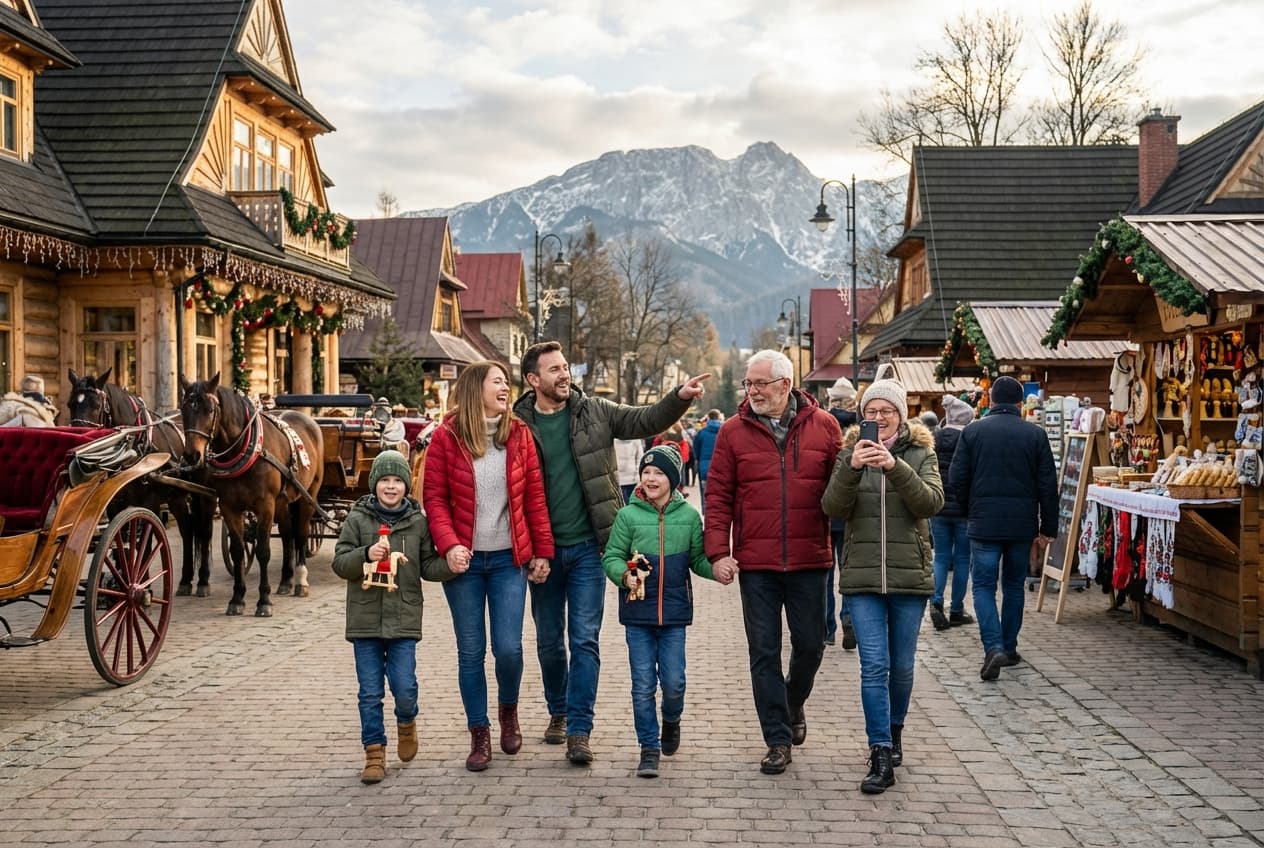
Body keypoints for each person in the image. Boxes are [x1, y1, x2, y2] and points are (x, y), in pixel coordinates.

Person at [513, 340, 709, 765]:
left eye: (565, 367)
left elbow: (644, 420)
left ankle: (579, 729)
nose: (564, 375)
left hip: (588, 547)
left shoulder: (595, 411)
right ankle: (558, 710)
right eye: (554, 370)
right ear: (533, 380)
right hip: (542, 552)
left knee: (584, 640)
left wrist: (679, 398)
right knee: (549, 642)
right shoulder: (517, 424)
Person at [703, 349, 842, 776]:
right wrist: (717, 553)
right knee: (763, 652)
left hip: (810, 560)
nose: (752, 391)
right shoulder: (732, 432)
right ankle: (778, 738)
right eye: (748, 383)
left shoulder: (826, 427)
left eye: (760, 383)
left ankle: (792, 701)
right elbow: (718, 494)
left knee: (811, 645)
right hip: (757, 564)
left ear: (786, 384)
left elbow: (843, 492)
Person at [422, 361, 554, 771]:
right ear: (475, 388)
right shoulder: (446, 437)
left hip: (507, 561)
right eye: (497, 381)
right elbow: (435, 499)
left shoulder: (520, 435)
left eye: (505, 382)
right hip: (464, 564)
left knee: (509, 648)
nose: (505, 387)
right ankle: (479, 734)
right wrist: (448, 545)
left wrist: (542, 551)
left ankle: (508, 711)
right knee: (470, 651)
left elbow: (534, 497)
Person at [822, 374, 943, 793]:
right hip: (863, 575)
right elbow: (832, 507)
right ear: (863, 415)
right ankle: (879, 750)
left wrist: (896, 467)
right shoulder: (847, 452)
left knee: (903, 666)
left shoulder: (922, 451)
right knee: (874, 665)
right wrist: (853, 468)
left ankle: (895, 732)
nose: (879, 418)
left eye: (886, 411)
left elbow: (931, 502)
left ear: (900, 415)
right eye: (871, 412)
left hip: (910, 575)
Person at [602, 445, 737, 778]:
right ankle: (648, 747)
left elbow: (697, 560)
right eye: (646, 472)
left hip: (675, 615)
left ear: (673, 479)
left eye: (659, 473)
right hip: (638, 614)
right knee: (642, 684)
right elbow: (612, 557)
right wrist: (624, 574)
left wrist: (717, 569)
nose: (650, 478)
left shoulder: (689, 517)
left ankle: (671, 720)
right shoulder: (627, 516)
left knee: (674, 682)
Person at [331, 450, 454, 785]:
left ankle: (406, 721)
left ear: (406, 485)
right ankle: (374, 753)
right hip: (365, 621)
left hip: (403, 620)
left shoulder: (418, 523)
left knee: (404, 686)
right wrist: (364, 554)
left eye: (397, 480)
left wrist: (451, 566)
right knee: (369, 692)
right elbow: (340, 563)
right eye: (384, 480)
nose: (390, 486)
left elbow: (428, 564)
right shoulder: (358, 519)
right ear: (374, 485)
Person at [948, 375, 1058, 682]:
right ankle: (1008, 647)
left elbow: (956, 479)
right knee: (1013, 586)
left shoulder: (972, 432)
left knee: (983, 586)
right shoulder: (1034, 435)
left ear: (992, 401)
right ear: (1021, 403)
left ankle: (993, 646)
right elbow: (1048, 485)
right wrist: (1048, 526)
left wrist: (971, 511)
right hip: (1022, 526)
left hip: (983, 524)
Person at [929, 394, 976, 631]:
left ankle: (936, 601)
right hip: (964, 509)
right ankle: (956, 608)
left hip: (938, 507)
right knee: (962, 560)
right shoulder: (970, 439)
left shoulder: (935, 438)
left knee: (940, 556)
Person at [825, 376, 858, 650]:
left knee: (824, 573)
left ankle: (826, 628)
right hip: (853, 511)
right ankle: (848, 617)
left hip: (825, 510)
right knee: (849, 571)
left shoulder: (821, 424)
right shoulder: (863, 428)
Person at [691, 409, 723, 511]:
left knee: (705, 496)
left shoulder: (702, 433)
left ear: (708, 418)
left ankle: (706, 518)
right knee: (721, 497)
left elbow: (696, 450)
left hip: (705, 467)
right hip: (722, 468)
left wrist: (699, 460)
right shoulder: (725, 431)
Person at [615, 437, 644, 505]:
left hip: (632, 480)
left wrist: (638, 476)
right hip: (619, 480)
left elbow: (640, 458)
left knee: (632, 504)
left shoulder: (636, 440)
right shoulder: (613, 440)